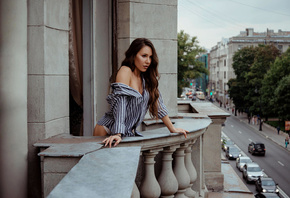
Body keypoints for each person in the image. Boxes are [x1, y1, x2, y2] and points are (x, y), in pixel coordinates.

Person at [93, 38, 188, 147]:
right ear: (133, 55)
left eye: (150, 57)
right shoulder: (125, 71)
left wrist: (172, 128)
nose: (148, 61)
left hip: (126, 133)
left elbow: (158, 104)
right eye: (144, 56)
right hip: (108, 130)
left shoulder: (147, 79)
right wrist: (117, 133)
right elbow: (120, 103)